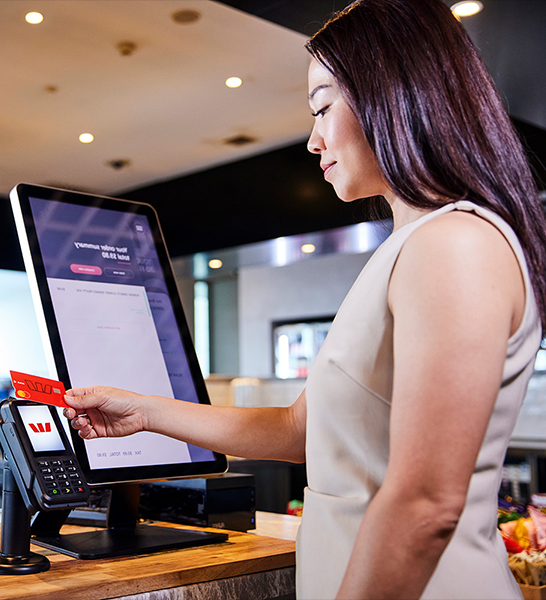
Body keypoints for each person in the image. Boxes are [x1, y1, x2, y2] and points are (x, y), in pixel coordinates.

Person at [61, 1, 546, 597]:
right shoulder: (413, 247)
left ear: (389, 95)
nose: (314, 140)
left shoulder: (454, 243)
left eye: (322, 107)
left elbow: (426, 505)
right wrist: (144, 412)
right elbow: (298, 430)